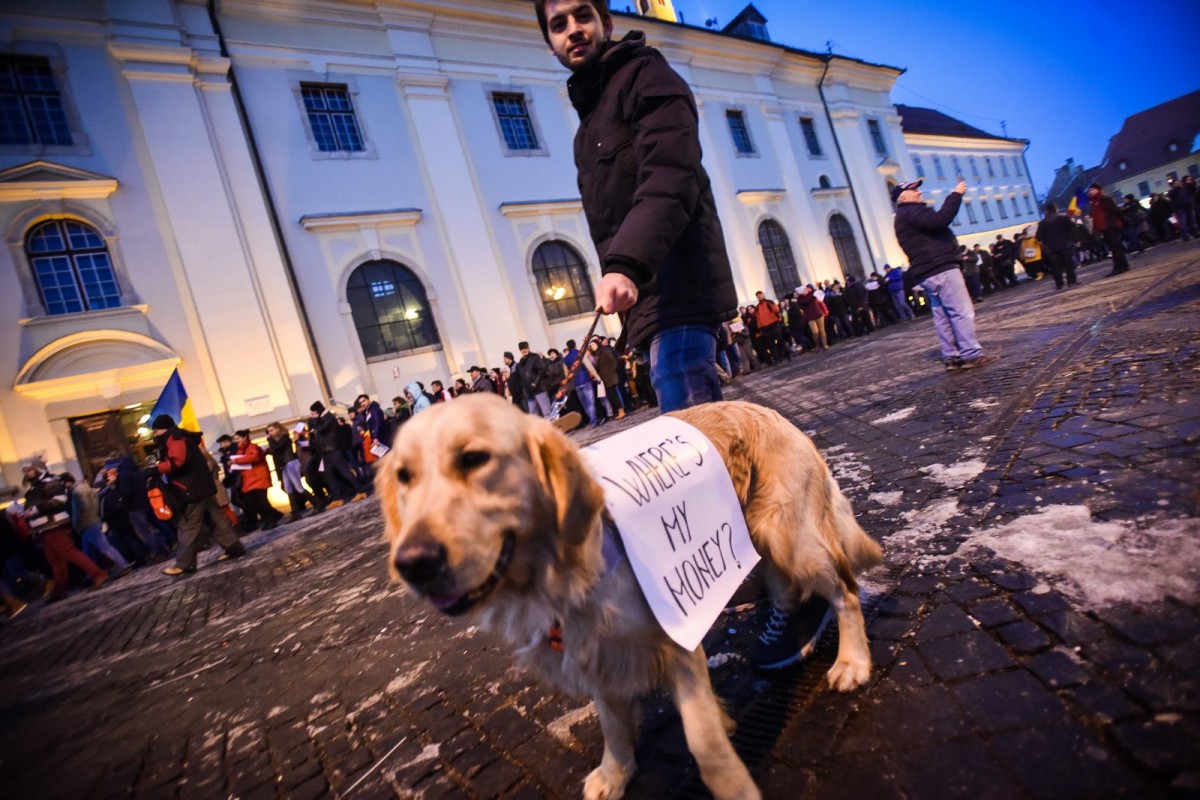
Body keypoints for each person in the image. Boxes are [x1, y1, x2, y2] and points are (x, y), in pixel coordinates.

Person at [537, 0, 826, 671]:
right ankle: (759, 583)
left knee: (707, 453)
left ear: (603, 18)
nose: (574, 29)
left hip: (680, 290)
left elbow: (670, 178)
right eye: (558, 23)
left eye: (583, 13)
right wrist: (628, 278)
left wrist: (627, 262)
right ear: (548, 39)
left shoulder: (646, 75)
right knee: (698, 450)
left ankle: (801, 590)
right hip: (653, 304)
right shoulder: (590, 120)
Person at [892, 178, 994, 370]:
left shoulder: (902, 216)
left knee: (943, 316)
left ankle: (952, 356)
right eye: (914, 190)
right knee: (961, 311)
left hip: (927, 272)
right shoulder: (911, 211)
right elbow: (940, 220)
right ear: (903, 197)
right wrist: (955, 195)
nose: (919, 193)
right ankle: (971, 354)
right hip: (941, 267)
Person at [150, 416, 246, 576]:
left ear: (164, 429)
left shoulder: (174, 438)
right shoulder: (182, 437)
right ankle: (234, 548)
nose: (156, 434)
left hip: (191, 488)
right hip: (201, 486)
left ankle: (184, 564)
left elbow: (178, 461)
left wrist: (157, 469)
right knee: (217, 519)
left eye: (157, 430)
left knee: (189, 525)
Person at [21, 458, 108, 599]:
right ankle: (60, 589)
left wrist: (35, 509)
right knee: (55, 560)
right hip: (43, 528)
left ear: (38, 468)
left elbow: (60, 500)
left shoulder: (49, 482)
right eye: (24, 471)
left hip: (55, 525)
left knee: (69, 553)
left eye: (29, 469)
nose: (27, 473)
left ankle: (98, 574)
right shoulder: (34, 487)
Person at [61, 472, 132, 576]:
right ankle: (93, 574)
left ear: (67, 482)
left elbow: (83, 507)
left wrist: (76, 521)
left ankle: (123, 565)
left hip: (87, 523)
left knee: (104, 547)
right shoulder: (85, 488)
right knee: (88, 552)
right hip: (91, 521)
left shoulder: (77, 492)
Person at [266, 421, 313, 522]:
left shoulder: (285, 438)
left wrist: (270, 441)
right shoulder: (275, 440)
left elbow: (276, 449)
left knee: (299, 488)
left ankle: (317, 503)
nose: (270, 433)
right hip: (284, 466)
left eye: (271, 430)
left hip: (291, 463)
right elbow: (274, 450)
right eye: (268, 431)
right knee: (288, 489)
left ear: (278, 429)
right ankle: (295, 513)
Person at [1087, 183, 1130, 277]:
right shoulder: (1094, 202)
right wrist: (1095, 228)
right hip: (1104, 228)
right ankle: (1123, 265)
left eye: (1092, 189)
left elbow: (1115, 210)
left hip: (1110, 226)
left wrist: (1123, 219)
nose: (1090, 192)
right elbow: (1096, 217)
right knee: (1114, 247)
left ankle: (1119, 267)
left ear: (1098, 190)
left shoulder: (1104, 199)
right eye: (1089, 190)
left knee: (1115, 247)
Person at [1036, 203, 1080, 290]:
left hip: (1051, 248)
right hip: (1066, 245)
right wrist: (1075, 240)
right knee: (1069, 265)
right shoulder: (1063, 218)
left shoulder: (1042, 223)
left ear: (1047, 211)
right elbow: (1073, 228)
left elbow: (1039, 237)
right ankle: (1071, 282)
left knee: (1055, 267)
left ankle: (1059, 284)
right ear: (1056, 209)